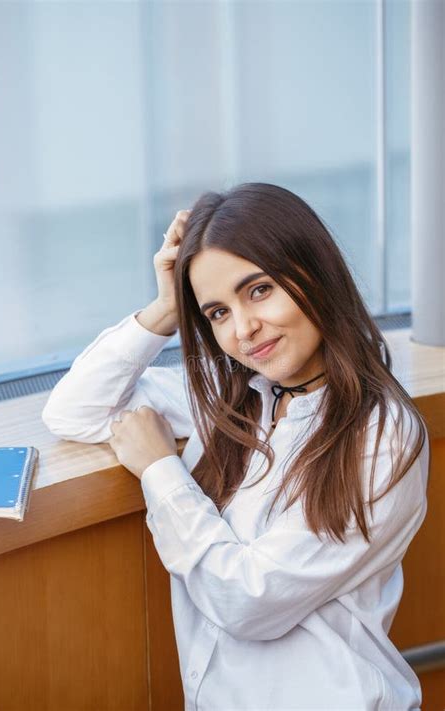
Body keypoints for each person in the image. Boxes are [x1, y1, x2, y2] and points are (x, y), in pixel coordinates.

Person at [42, 182, 429, 711]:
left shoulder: (381, 435)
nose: (244, 329)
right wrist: (163, 309)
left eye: (259, 290)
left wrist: (161, 471)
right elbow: (73, 409)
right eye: (217, 312)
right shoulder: (233, 397)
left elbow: (248, 600)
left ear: (313, 271)